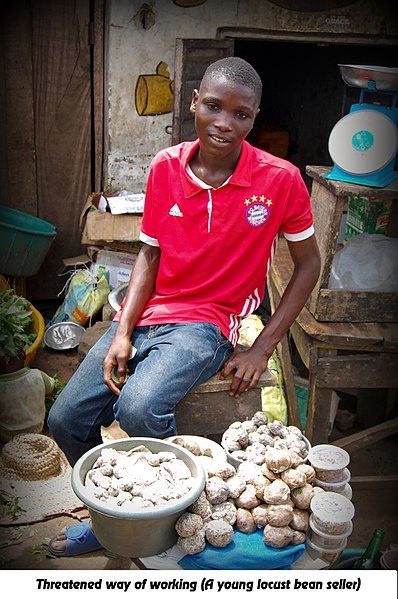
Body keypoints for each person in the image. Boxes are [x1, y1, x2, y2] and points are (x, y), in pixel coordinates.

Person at [47, 56, 321, 556]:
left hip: (209, 321)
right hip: (151, 314)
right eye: (213, 107)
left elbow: (307, 266)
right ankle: (116, 513)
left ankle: (174, 521)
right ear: (194, 102)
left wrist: (261, 348)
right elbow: (149, 253)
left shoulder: (280, 180)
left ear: (253, 119)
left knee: (139, 406)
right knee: (64, 420)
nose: (224, 123)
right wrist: (124, 330)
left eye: (240, 114)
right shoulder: (165, 167)